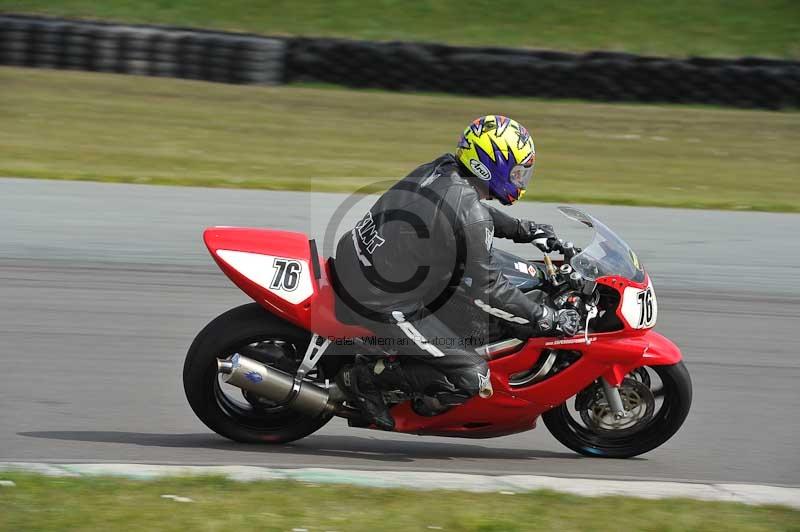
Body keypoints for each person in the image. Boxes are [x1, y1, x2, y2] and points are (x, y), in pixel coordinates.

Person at [332, 115, 580, 430]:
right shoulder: (466, 209)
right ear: (489, 165)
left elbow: (472, 214)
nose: (520, 180)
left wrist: (524, 230)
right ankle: (366, 378)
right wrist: (545, 316)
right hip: (381, 300)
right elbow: (490, 287)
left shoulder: (445, 169)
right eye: (516, 172)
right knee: (471, 377)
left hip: (363, 260)